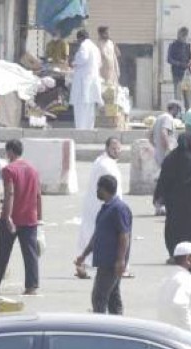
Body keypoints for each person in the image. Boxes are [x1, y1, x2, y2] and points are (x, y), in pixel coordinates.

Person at [0, 140, 42, 295]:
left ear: (10, 152)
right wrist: (39, 217)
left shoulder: (9, 170)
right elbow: (38, 195)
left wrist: (7, 216)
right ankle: (32, 286)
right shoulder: (33, 170)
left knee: (2, 251)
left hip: (13, 217)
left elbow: (10, 193)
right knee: (30, 253)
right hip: (30, 218)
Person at [75, 175, 131, 315]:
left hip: (111, 263)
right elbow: (97, 236)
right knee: (113, 297)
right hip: (105, 261)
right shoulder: (106, 208)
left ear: (104, 189)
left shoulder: (119, 209)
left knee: (99, 297)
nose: (96, 191)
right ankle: (118, 328)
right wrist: (84, 255)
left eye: (98, 188)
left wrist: (120, 260)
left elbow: (124, 236)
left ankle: (101, 328)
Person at [155, 134, 191, 260]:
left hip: (175, 202)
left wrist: (159, 196)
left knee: (175, 227)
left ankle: (175, 254)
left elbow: (163, 179)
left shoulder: (171, 158)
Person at [76, 137, 123, 279]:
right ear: (107, 148)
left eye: (118, 148)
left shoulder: (102, 161)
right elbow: (114, 188)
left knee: (89, 234)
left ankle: (82, 264)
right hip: (102, 206)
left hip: (95, 205)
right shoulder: (106, 165)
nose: (116, 151)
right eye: (113, 148)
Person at [156, 241, 191, 335]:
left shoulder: (169, 278)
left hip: (166, 332)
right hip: (182, 335)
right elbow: (179, 304)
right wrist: (190, 330)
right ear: (188, 258)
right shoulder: (186, 278)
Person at [70, 29, 103, 130]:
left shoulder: (84, 45)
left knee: (80, 108)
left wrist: (74, 63)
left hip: (83, 81)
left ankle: (81, 129)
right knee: (90, 108)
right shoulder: (95, 47)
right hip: (92, 81)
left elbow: (83, 58)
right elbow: (99, 63)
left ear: (80, 38)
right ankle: (89, 128)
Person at [167, 27, 191, 110]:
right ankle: (178, 114)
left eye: (185, 36)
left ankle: (188, 114)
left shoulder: (188, 46)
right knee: (178, 97)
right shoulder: (173, 45)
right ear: (178, 35)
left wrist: (189, 64)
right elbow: (169, 59)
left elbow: (190, 58)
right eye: (182, 35)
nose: (184, 37)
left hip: (186, 75)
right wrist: (179, 64)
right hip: (177, 75)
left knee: (188, 97)